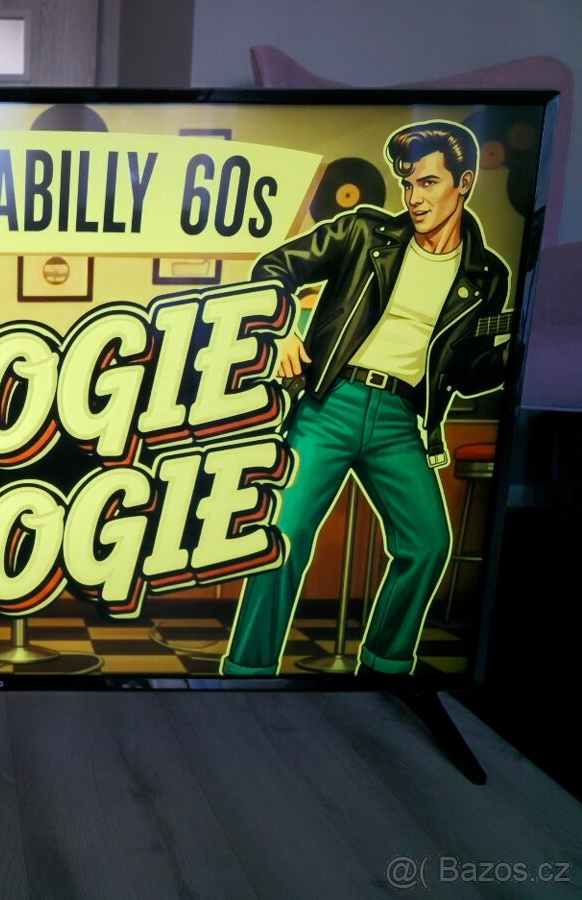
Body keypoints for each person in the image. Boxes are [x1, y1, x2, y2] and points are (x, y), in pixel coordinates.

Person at [221, 120, 511, 677]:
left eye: (428, 182)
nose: (414, 197)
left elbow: (468, 371)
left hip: (401, 420)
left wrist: (508, 356)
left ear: (464, 183)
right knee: (284, 536)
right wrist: (281, 328)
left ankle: (385, 667)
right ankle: (248, 671)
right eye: (408, 183)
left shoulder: (487, 276)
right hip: (331, 404)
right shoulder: (363, 232)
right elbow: (273, 268)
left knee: (428, 544)